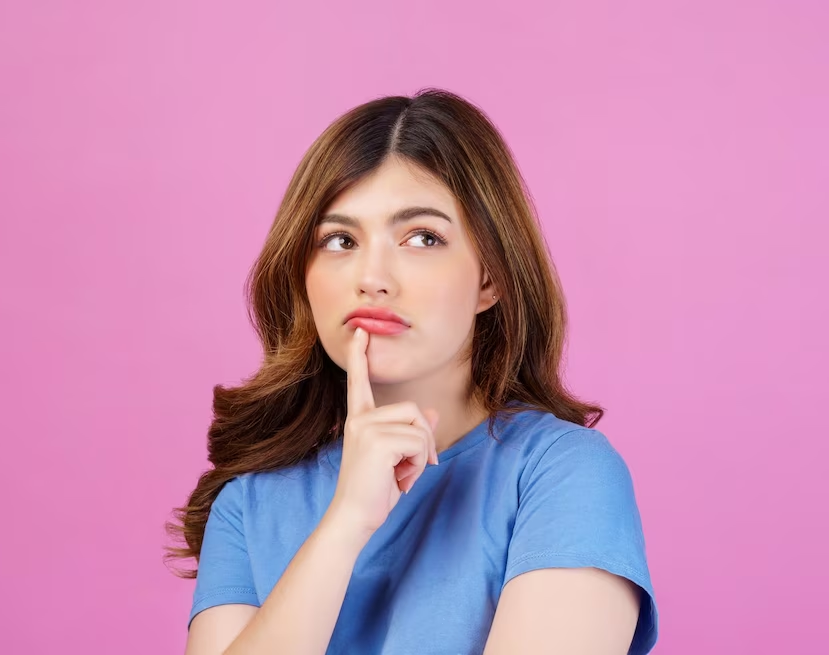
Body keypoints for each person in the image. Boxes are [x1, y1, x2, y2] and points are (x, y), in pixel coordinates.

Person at [166, 88, 658, 655]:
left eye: (422, 238)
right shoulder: (248, 504)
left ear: (489, 278)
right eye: (340, 240)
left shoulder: (562, 474)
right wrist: (346, 522)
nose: (372, 276)